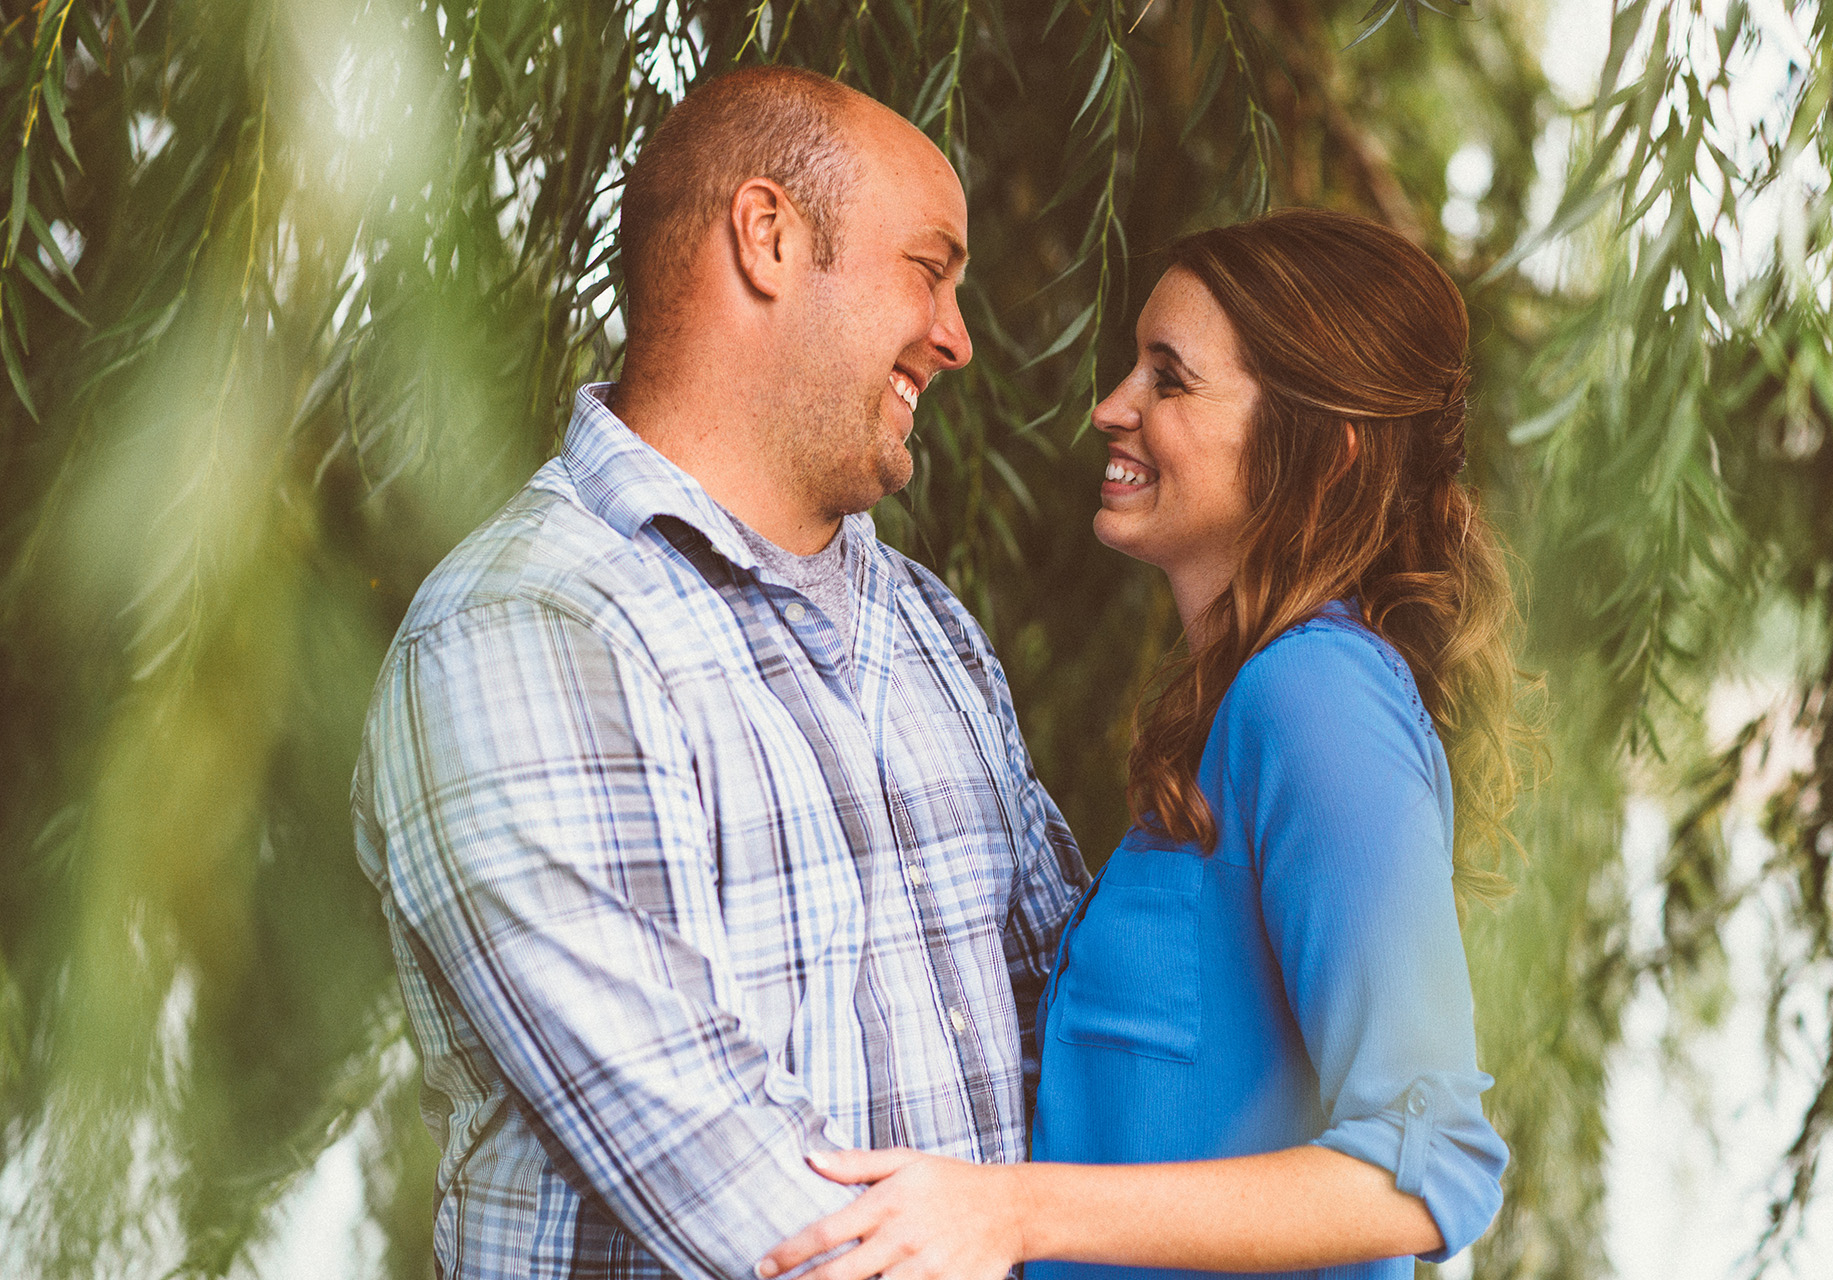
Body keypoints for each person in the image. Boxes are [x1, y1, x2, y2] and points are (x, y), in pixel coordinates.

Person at [351, 66, 1086, 1280]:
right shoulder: (526, 628)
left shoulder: (931, 630)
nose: (958, 337)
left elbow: (1073, 1021)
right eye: (930, 268)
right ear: (769, 237)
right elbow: (754, 1201)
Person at [758, 209, 1522, 1280]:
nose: (1110, 406)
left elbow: (1429, 1162)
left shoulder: (1317, 696)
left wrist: (1012, 1212)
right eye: (1133, 366)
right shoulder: (1246, 705)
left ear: (1324, 450)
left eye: (1170, 378)